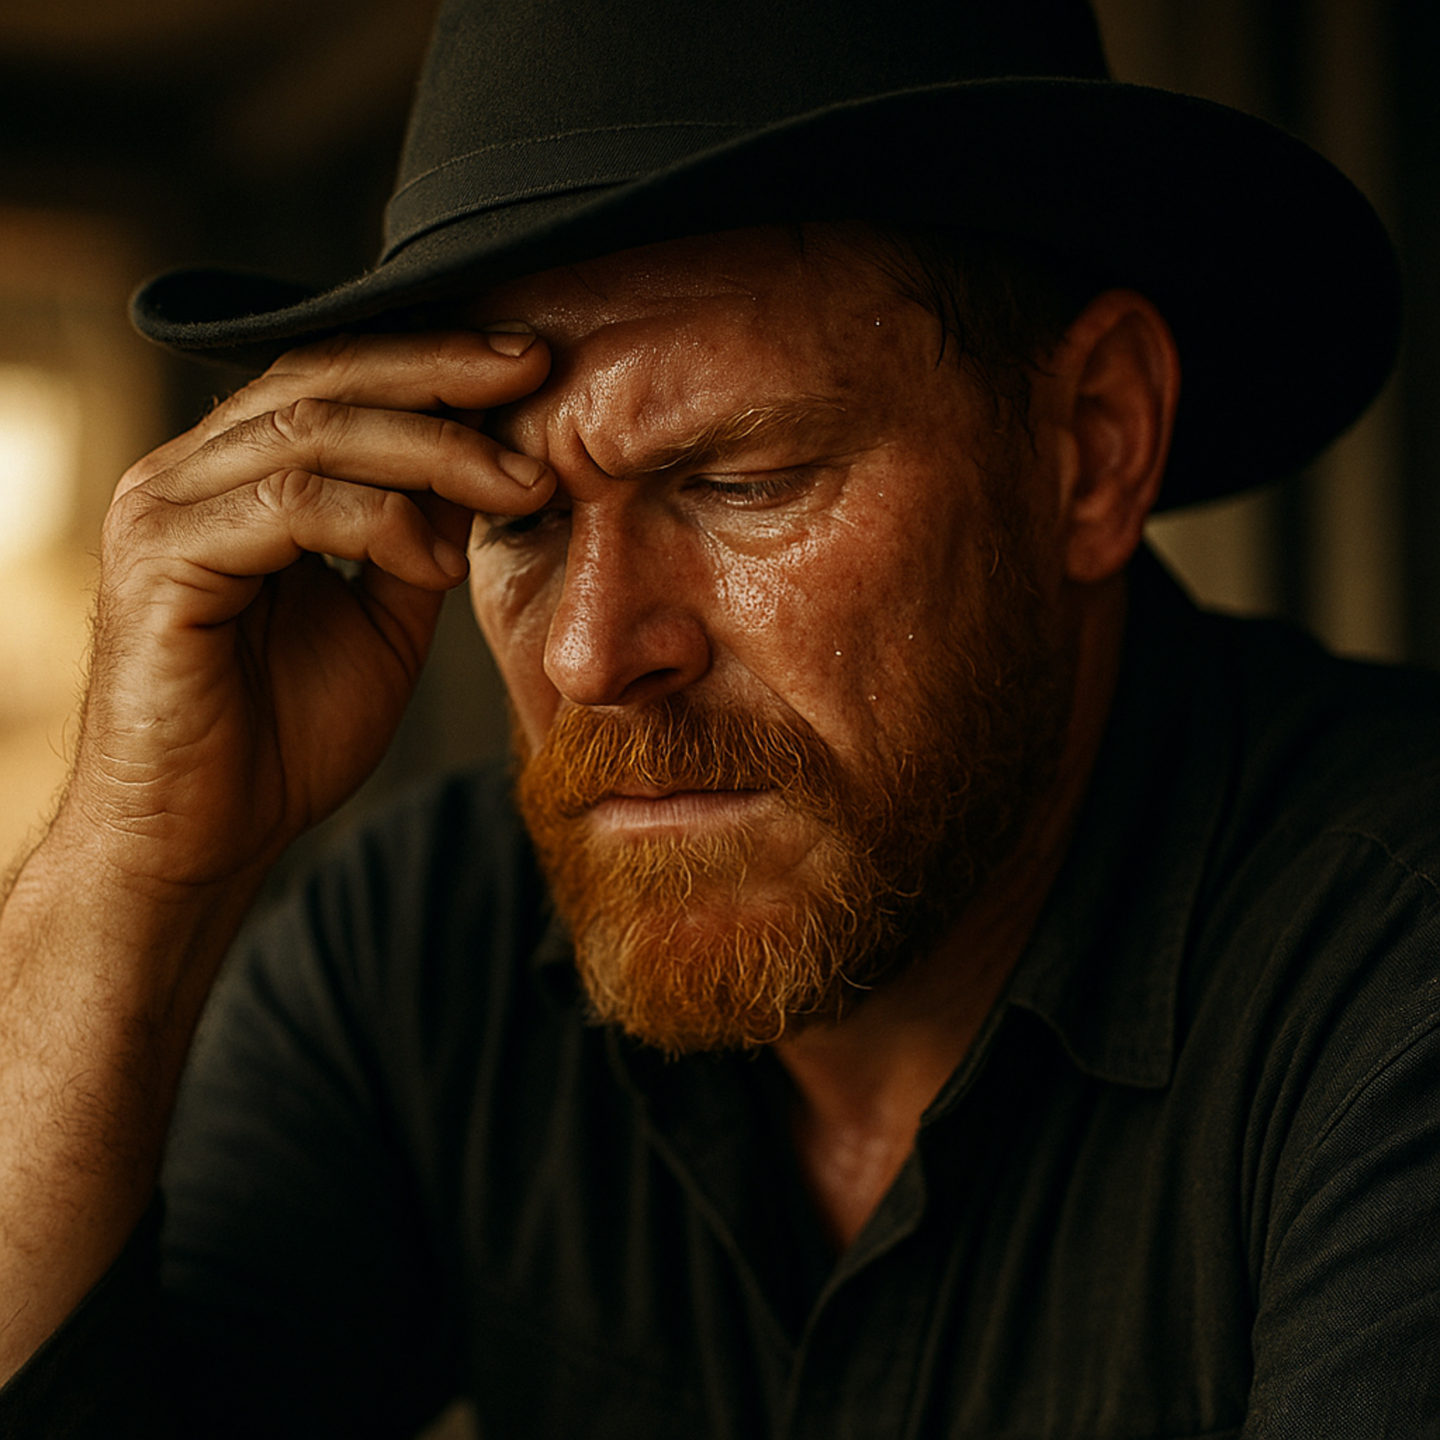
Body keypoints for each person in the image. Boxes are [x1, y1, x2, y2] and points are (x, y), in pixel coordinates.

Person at [1, 0, 1436, 1435]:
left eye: (741, 482)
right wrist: (130, 863)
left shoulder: (1392, 958)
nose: (590, 653)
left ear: (1090, 444)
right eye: (514, 514)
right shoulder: (419, 952)